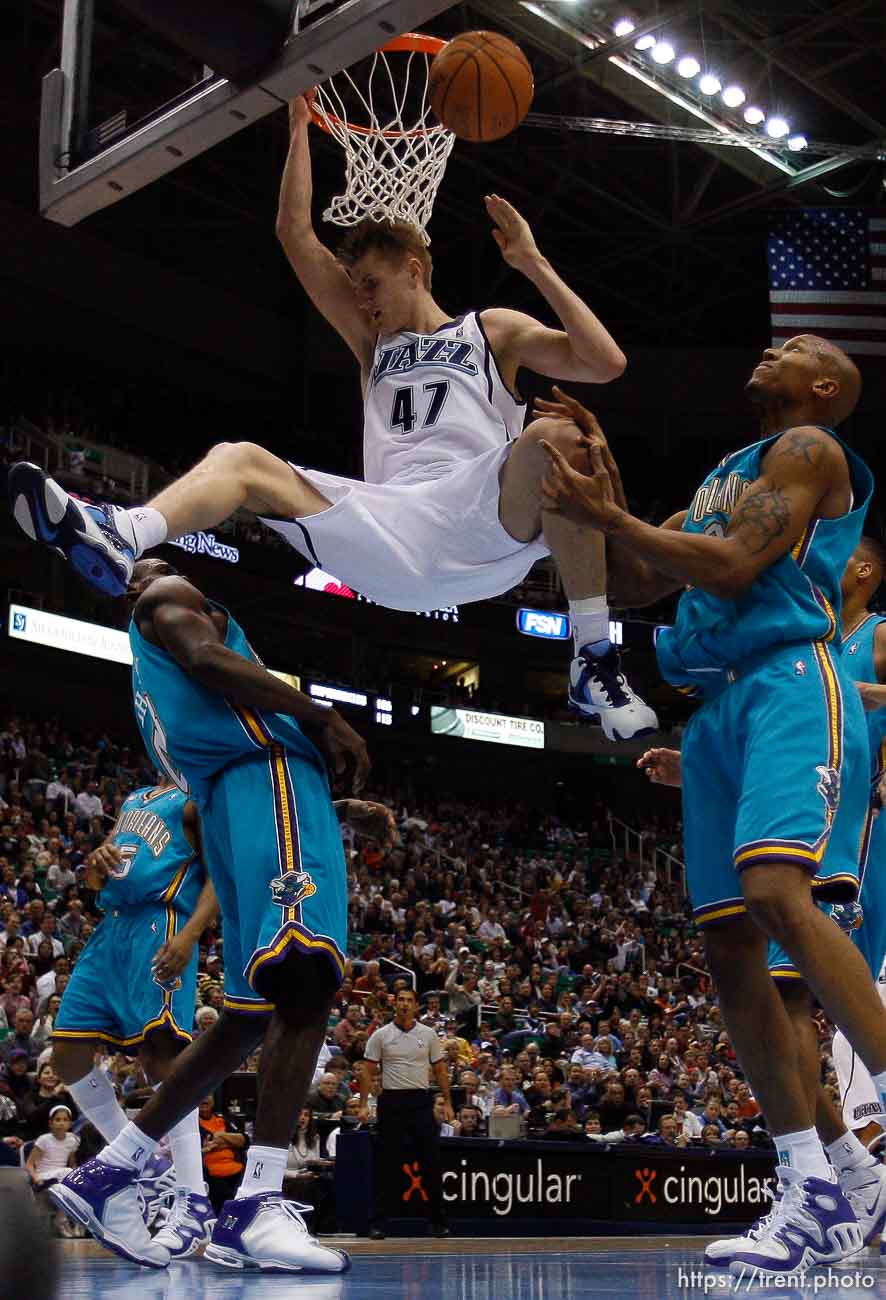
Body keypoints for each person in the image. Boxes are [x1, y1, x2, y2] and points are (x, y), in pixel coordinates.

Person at [7, 97, 658, 744]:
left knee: (558, 436)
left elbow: (605, 363)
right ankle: (121, 533)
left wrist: (534, 265)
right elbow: (294, 235)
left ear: (414, 267)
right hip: (389, 527)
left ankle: (593, 658)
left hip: (481, 519)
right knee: (240, 460)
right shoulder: (373, 346)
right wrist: (297, 126)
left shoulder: (493, 331)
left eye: (371, 283)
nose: (361, 298)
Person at [540, 335, 885, 1276]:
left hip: (787, 680)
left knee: (777, 895)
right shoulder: (719, 476)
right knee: (729, 946)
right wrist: (604, 493)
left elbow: (734, 565)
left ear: (823, 386)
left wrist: (609, 510)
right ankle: (809, 1180)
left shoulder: (809, 451)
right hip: (718, 705)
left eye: (799, 347)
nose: (774, 347)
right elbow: (649, 576)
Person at [46, 559, 394, 1272]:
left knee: (245, 1017)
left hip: (238, 807)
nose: (170, 571)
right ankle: (258, 1203)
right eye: (151, 564)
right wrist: (324, 713)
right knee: (307, 981)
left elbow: (210, 814)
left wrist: (334, 811)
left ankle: (111, 1172)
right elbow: (208, 657)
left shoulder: (150, 687)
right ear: (136, 588)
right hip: (269, 781)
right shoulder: (170, 604)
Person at [640, 536, 886, 1266]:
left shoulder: (871, 638)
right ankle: (844, 1179)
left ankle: (843, 1176)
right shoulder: (786, 641)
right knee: (773, 1005)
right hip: (796, 807)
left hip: (853, 826)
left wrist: (864, 694)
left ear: (866, 569)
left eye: (840, 553)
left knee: (784, 993)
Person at [49, 775, 219, 1259]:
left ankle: (192, 1201)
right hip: (111, 930)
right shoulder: (135, 798)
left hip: (160, 923)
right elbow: (97, 877)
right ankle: (134, 1173)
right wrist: (95, 865)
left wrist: (189, 937)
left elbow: (219, 877)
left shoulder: (197, 800)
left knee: (161, 1056)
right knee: (67, 1054)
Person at [358, 986, 453, 1240]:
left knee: (431, 1162)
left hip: (421, 1102)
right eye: (400, 1000)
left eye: (409, 1000)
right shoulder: (381, 1035)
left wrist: (448, 1101)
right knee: (386, 1165)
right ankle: (377, 1223)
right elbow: (367, 1071)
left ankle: (438, 1222)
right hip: (392, 1102)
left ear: (415, 1006)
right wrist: (364, 1104)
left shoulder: (429, 1034)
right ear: (394, 1004)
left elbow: (441, 1071)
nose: (404, 1004)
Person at [198, 1093, 247, 1212]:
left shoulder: (223, 1119)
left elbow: (245, 1140)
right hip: (211, 1176)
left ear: (214, 1100)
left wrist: (221, 1135)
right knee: (228, 1200)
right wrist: (232, 1141)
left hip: (237, 1171)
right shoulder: (193, 1124)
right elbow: (209, 1140)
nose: (204, 1098)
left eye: (208, 1094)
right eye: (201, 1095)